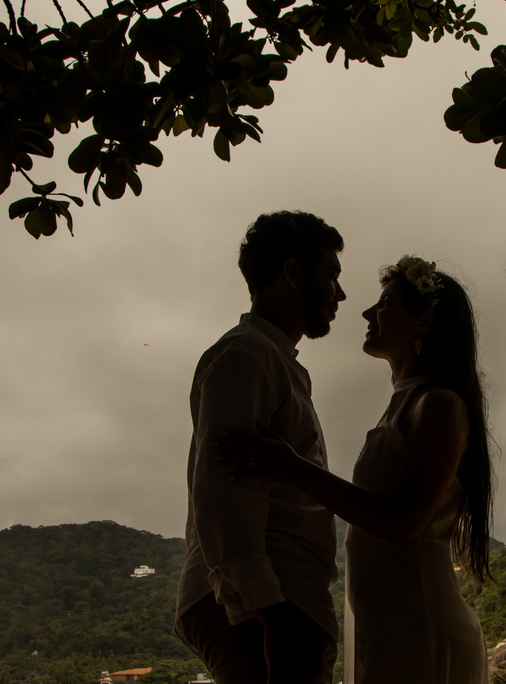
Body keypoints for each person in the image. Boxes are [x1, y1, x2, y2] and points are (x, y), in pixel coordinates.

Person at [218, 255, 494, 684]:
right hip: (384, 630)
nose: (367, 313)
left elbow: (403, 522)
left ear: (423, 322)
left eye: (385, 303)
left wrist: (294, 469)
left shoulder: (438, 404)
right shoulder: (404, 405)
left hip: (421, 628)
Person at [174, 211, 347, 684]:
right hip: (265, 605)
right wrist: (268, 608)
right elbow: (224, 487)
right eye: (331, 275)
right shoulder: (246, 355)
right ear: (293, 274)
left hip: (281, 599)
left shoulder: (275, 362)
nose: (341, 294)